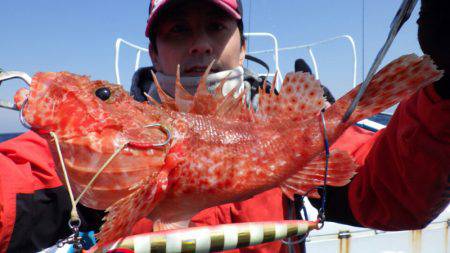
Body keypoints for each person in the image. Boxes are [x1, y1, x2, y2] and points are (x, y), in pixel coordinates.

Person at [0, 0, 448, 252]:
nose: (199, 45)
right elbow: (22, 176)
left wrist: (446, 98)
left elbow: (395, 194)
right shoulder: (93, 146)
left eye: (216, 25)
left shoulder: (287, 123)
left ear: (242, 41)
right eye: (177, 30)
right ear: (153, 53)